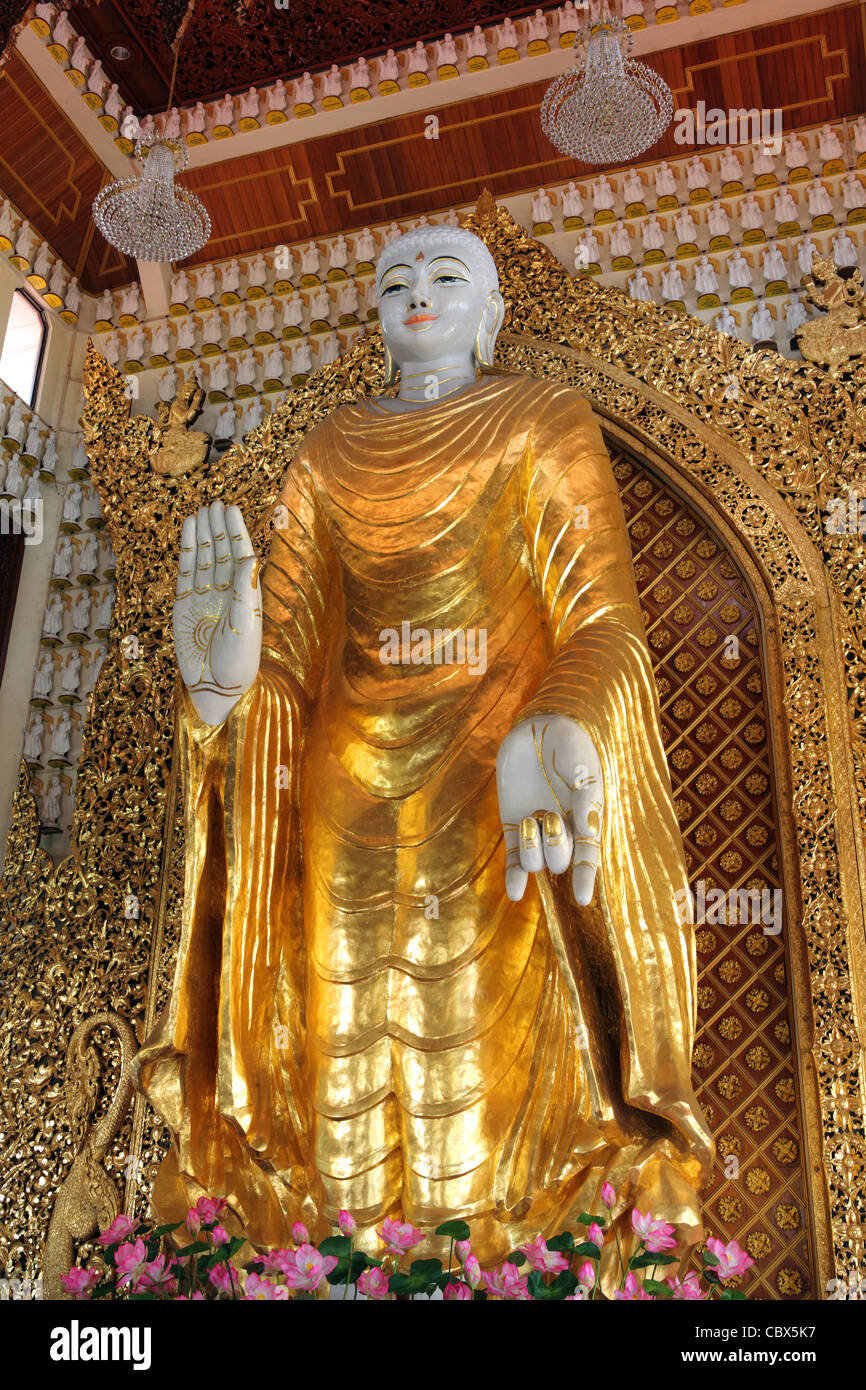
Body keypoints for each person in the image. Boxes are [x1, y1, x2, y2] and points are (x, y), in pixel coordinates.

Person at [136, 223, 713, 1289]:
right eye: (394, 276)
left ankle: (497, 1273)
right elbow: (294, 650)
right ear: (373, 315)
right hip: (333, 790)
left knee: (463, 1054)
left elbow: (602, 623)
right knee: (340, 1046)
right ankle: (324, 1272)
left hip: (492, 774)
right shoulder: (325, 449)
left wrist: (560, 721)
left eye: (447, 277)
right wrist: (223, 691)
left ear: (489, 316)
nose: (416, 291)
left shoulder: (538, 419)